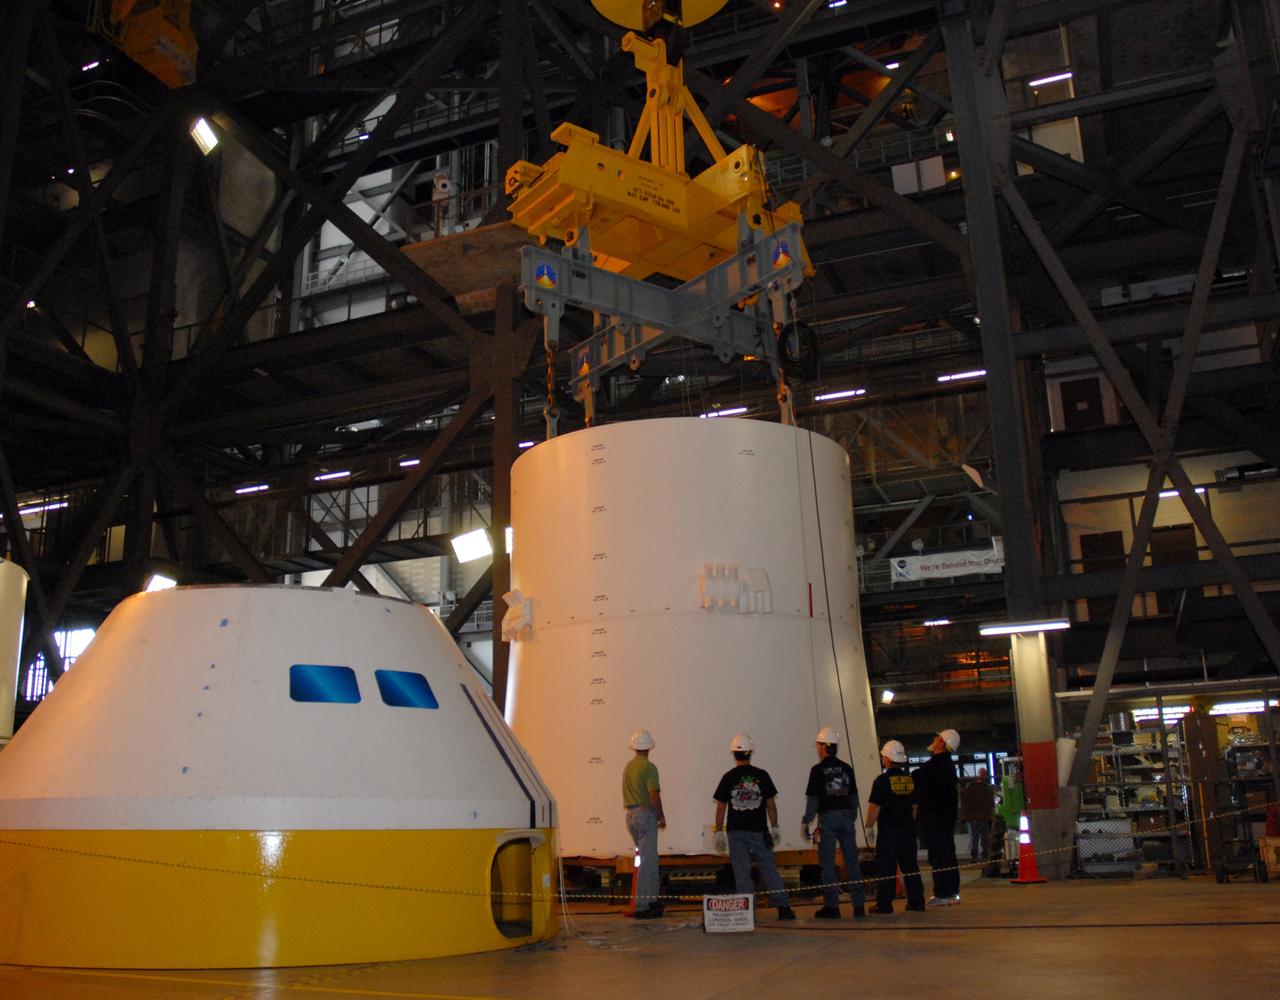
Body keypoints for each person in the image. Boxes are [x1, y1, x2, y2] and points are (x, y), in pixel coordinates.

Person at [712, 734, 796, 920]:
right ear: (750, 753)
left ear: (734, 754)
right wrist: (774, 826)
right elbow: (770, 804)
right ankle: (783, 908)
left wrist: (718, 831)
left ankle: (747, 911)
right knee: (768, 868)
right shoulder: (762, 775)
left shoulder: (728, 777)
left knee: (742, 871)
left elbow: (721, 807)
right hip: (759, 830)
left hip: (736, 832)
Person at [800, 725, 866, 918]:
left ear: (822, 747)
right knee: (852, 861)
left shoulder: (818, 770)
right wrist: (851, 816)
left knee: (828, 862)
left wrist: (806, 821)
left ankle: (832, 906)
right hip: (846, 817)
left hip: (828, 818)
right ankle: (859, 905)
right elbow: (854, 797)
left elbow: (813, 800)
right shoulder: (846, 768)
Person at [865, 740, 925, 913]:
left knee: (887, 868)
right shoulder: (909, 780)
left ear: (887, 759)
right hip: (907, 831)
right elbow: (914, 808)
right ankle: (916, 902)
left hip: (888, 831)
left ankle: (884, 904)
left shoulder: (882, 781)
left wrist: (869, 826)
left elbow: (874, 808)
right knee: (910, 867)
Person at [913, 728, 961, 905]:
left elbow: (915, 778)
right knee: (948, 853)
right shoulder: (948, 765)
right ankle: (952, 892)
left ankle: (943, 892)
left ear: (942, 743)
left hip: (935, 818)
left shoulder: (936, 765)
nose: (934, 739)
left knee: (938, 855)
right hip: (945, 818)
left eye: (937, 737)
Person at [623, 728, 666, 919]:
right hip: (645, 814)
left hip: (630, 815)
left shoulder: (628, 767)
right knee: (648, 861)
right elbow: (653, 794)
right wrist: (661, 815)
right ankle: (643, 904)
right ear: (649, 747)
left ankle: (650, 899)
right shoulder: (649, 768)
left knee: (646, 858)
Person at [959, 766, 996, 861]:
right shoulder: (987, 789)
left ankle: (975, 855)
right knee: (983, 837)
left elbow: (963, 799)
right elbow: (991, 803)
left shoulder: (969, 786)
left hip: (972, 817)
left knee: (974, 837)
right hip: (983, 816)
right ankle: (984, 854)